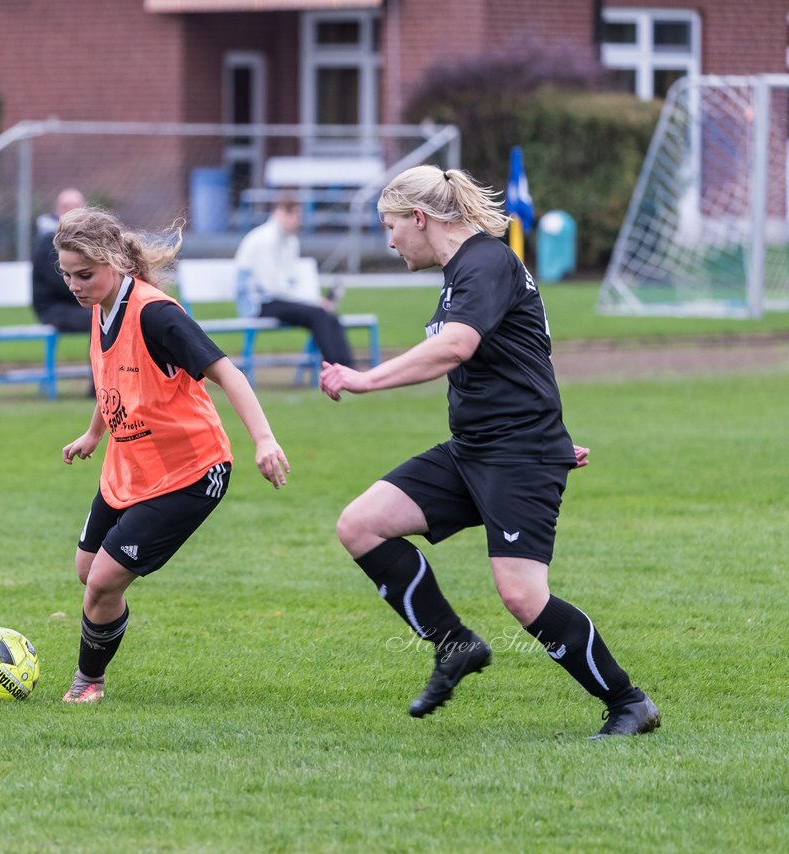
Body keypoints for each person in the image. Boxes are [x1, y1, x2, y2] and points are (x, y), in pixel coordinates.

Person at [319, 165, 660, 739]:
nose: (389, 239)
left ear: (420, 218)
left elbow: (458, 346)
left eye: (391, 225)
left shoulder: (484, 262)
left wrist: (365, 379)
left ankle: (629, 702)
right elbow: (522, 356)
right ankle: (453, 645)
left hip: (517, 453)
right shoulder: (465, 272)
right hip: (477, 449)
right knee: (362, 524)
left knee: (522, 595)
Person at [55, 207, 291, 703]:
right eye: (67, 275)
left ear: (115, 262)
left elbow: (230, 374)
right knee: (88, 570)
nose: (75, 285)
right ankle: (104, 626)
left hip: (190, 471)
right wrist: (94, 434)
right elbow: (113, 381)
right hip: (131, 465)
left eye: (84, 274)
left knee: (99, 583)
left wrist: (264, 440)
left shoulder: (157, 314)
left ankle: (87, 680)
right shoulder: (101, 308)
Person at [234, 195, 354, 368]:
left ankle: (347, 368)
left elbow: (291, 282)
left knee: (329, 317)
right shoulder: (264, 239)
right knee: (318, 315)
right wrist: (312, 301)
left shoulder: (290, 241)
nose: (295, 220)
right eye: (291, 215)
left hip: (278, 300)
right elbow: (272, 288)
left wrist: (314, 300)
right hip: (259, 304)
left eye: (298, 215)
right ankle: (335, 369)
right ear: (277, 213)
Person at [31, 187, 90, 332]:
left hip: (75, 305)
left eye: (76, 207)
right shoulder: (49, 241)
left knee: (108, 314)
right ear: (57, 210)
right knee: (101, 317)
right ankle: (100, 356)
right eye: (66, 207)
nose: (71, 212)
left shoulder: (81, 239)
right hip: (53, 309)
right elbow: (61, 282)